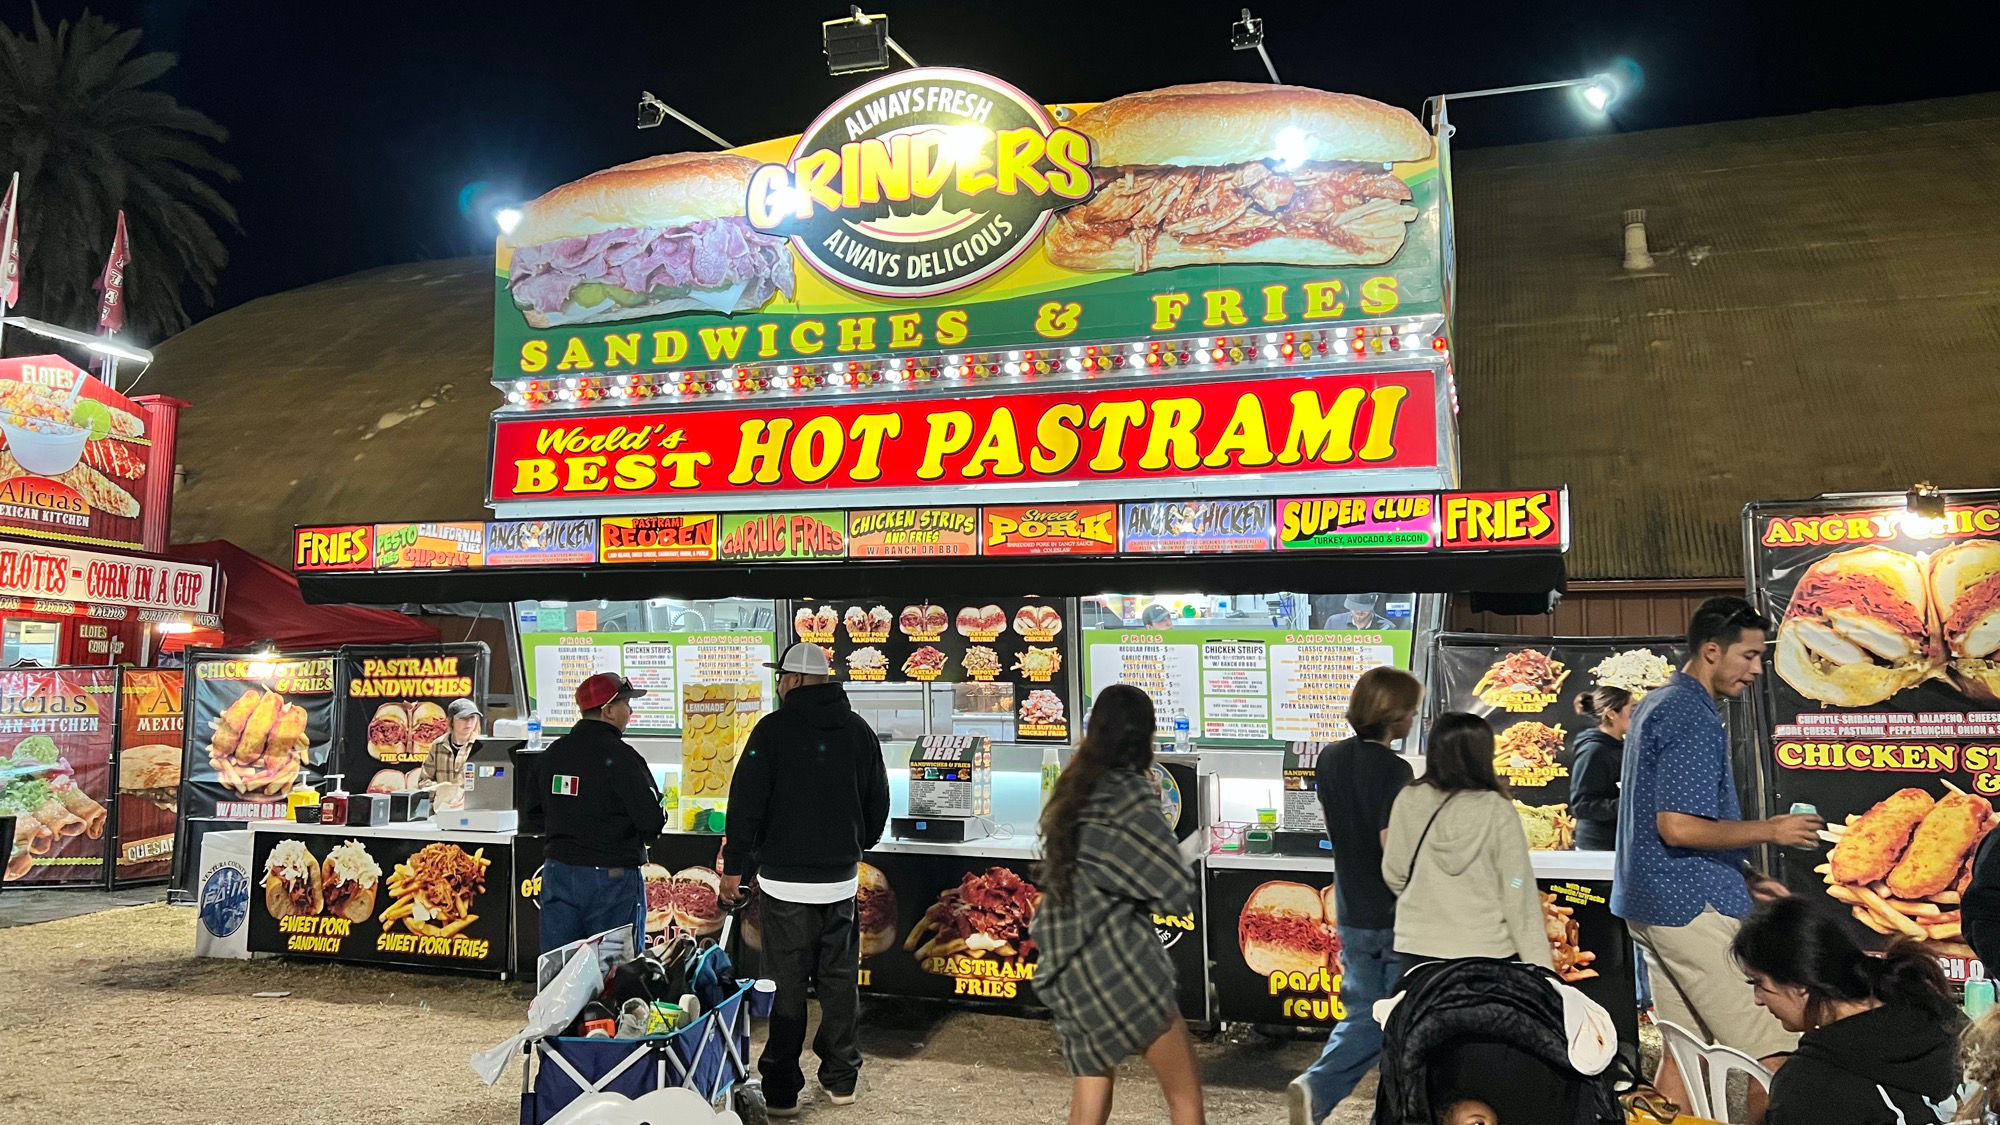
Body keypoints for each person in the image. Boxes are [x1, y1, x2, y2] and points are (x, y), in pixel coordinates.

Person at [1610, 596, 1825, 1119]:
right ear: (1711, 651)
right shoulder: (1692, 715)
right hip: (1691, 906)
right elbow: (1677, 826)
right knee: (1770, 1054)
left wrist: (1746, 874)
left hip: (1652, 903)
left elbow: (1666, 822)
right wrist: (1772, 830)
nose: (1757, 669)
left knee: (1686, 1055)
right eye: (1748, 656)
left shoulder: (1659, 703)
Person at [721, 642, 889, 1118]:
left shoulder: (771, 731)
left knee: (786, 984)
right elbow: (879, 801)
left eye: (781, 677)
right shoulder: (859, 732)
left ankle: (781, 1091)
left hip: (784, 888)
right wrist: (856, 846)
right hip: (840, 885)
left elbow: (745, 805)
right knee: (838, 983)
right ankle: (841, 1080)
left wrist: (736, 867)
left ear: (794, 679)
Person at [1032, 684, 1205, 1125]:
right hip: (1122, 969)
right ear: (1145, 735)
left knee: (1091, 1091)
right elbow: (1172, 888)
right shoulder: (1131, 795)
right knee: (1184, 1098)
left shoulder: (1072, 790)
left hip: (1072, 968)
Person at [1288, 666, 1424, 1125]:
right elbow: (1393, 847)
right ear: (1396, 714)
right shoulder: (1395, 769)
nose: (1412, 718)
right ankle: (1319, 1088)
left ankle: (1379, 1110)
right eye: (1410, 710)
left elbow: (1334, 825)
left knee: (1365, 1008)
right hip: (1391, 912)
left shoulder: (1330, 758)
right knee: (1391, 1018)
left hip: (1349, 902)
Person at [1732, 896, 1961, 1124]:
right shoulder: (1944, 1020)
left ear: (1799, 985)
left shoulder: (1808, 1087)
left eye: (1759, 983)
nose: (1758, 1000)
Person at [1382, 712, 1553, 969]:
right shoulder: (1498, 809)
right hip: (1487, 950)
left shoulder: (1410, 798)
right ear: (1484, 754)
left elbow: (1394, 872)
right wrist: (1542, 968)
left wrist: (1428, 900)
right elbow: (1517, 888)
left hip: (1418, 949)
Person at [533, 673, 664, 954]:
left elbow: (533, 812)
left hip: (558, 872)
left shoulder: (553, 752)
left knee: (560, 970)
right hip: (610, 880)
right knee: (614, 973)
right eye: (626, 704)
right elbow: (651, 821)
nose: (630, 711)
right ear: (608, 711)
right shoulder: (623, 757)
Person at [1567, 686, 1633, 851]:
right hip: (1597, 848)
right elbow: (1581, 805)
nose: (1638, 714)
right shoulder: (1593, 751)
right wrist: (1630, 804)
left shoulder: (1620, 746)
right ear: (1611, 714)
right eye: (1633, 708)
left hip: (1616, 843)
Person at [410, 697, 482, 808]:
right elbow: (423, 781)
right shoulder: (437, 745)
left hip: (471, 810)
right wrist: (441, 791)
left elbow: (488, 784)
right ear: (451, 721)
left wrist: (468, 798)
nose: (469, 722)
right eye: (463, 718)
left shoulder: (481, 746)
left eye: (472, 717)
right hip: (440, 811)